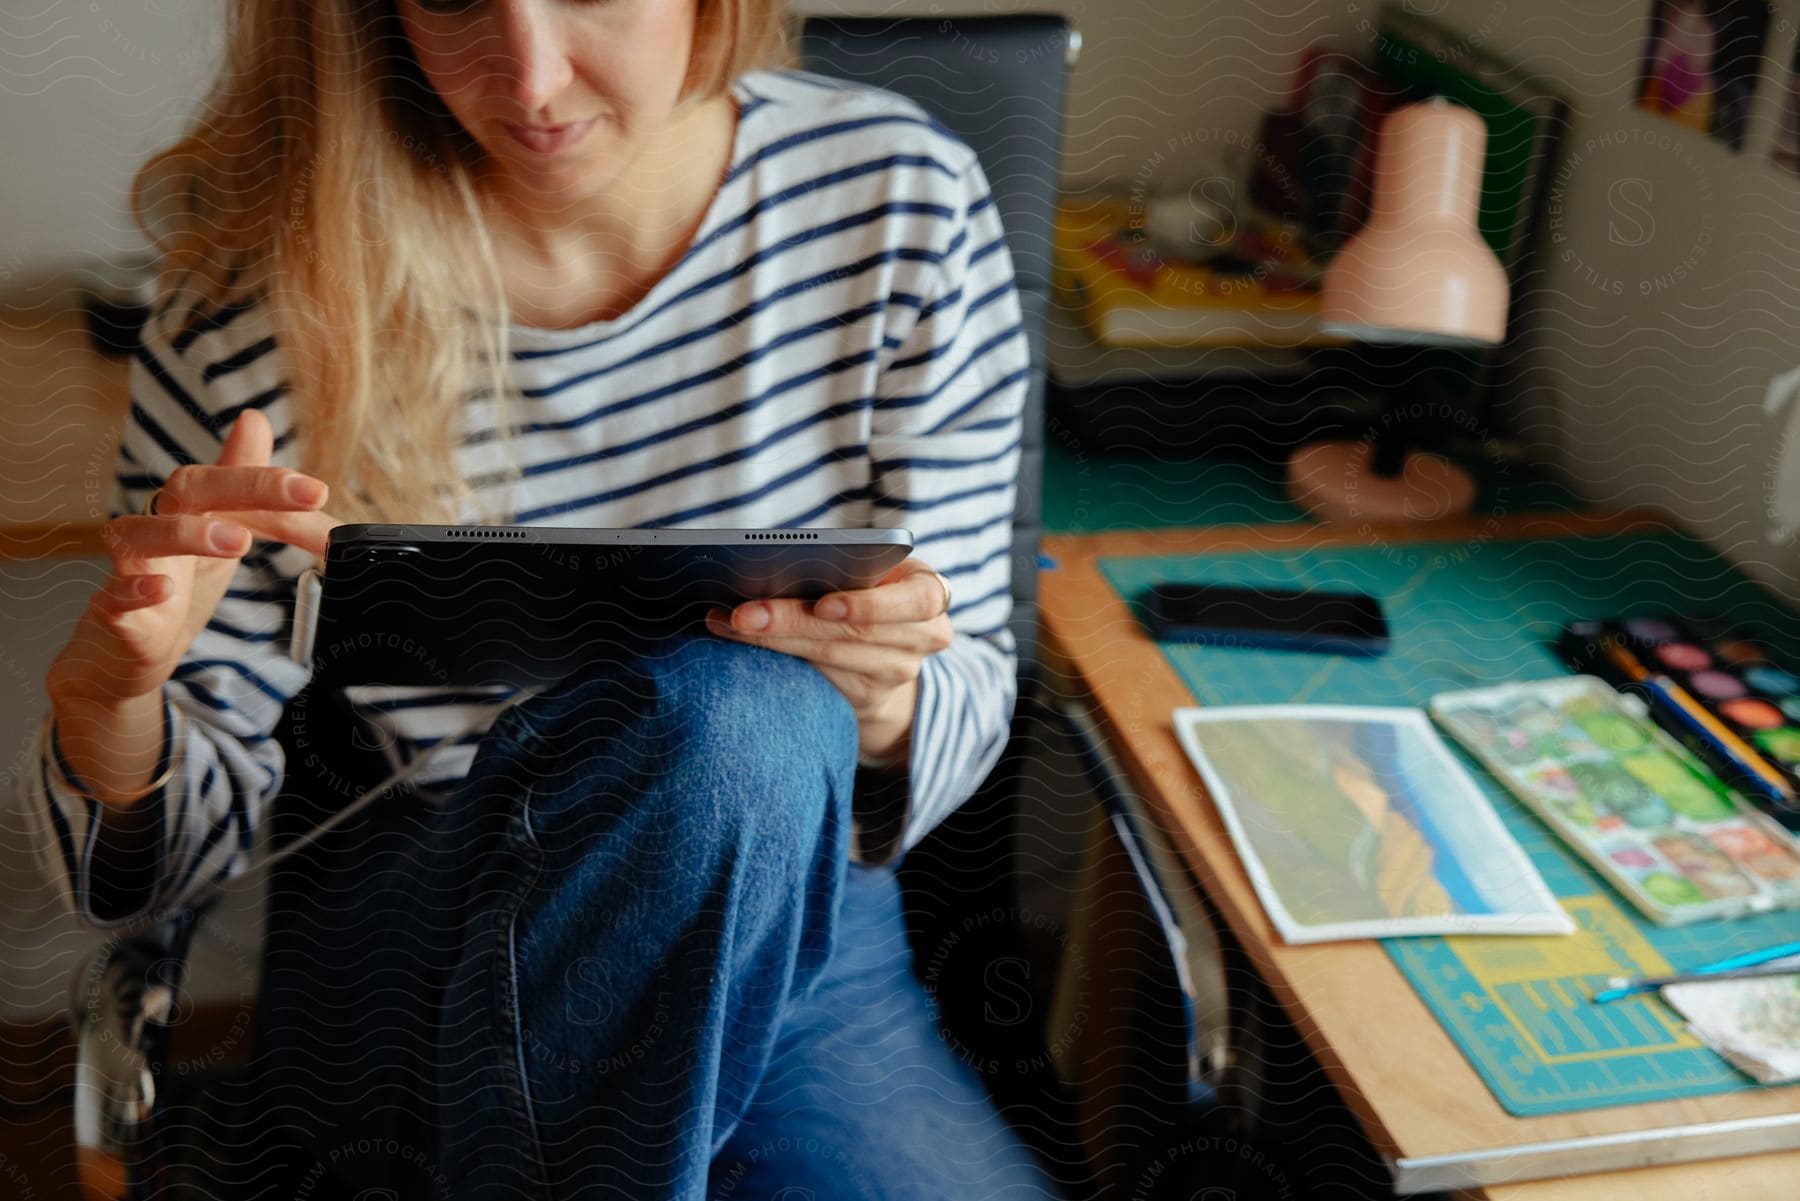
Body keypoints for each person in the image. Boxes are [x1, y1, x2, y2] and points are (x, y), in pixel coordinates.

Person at [23, 1, 1054, 1196]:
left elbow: (967, 662)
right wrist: (114, 714)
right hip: (428, 933)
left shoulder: (899, 202)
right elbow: (159, 867)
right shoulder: (262, 292)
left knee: (742, 726)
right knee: (740, 718)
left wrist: (885, 704)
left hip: (789, 927)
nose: (532, 77)